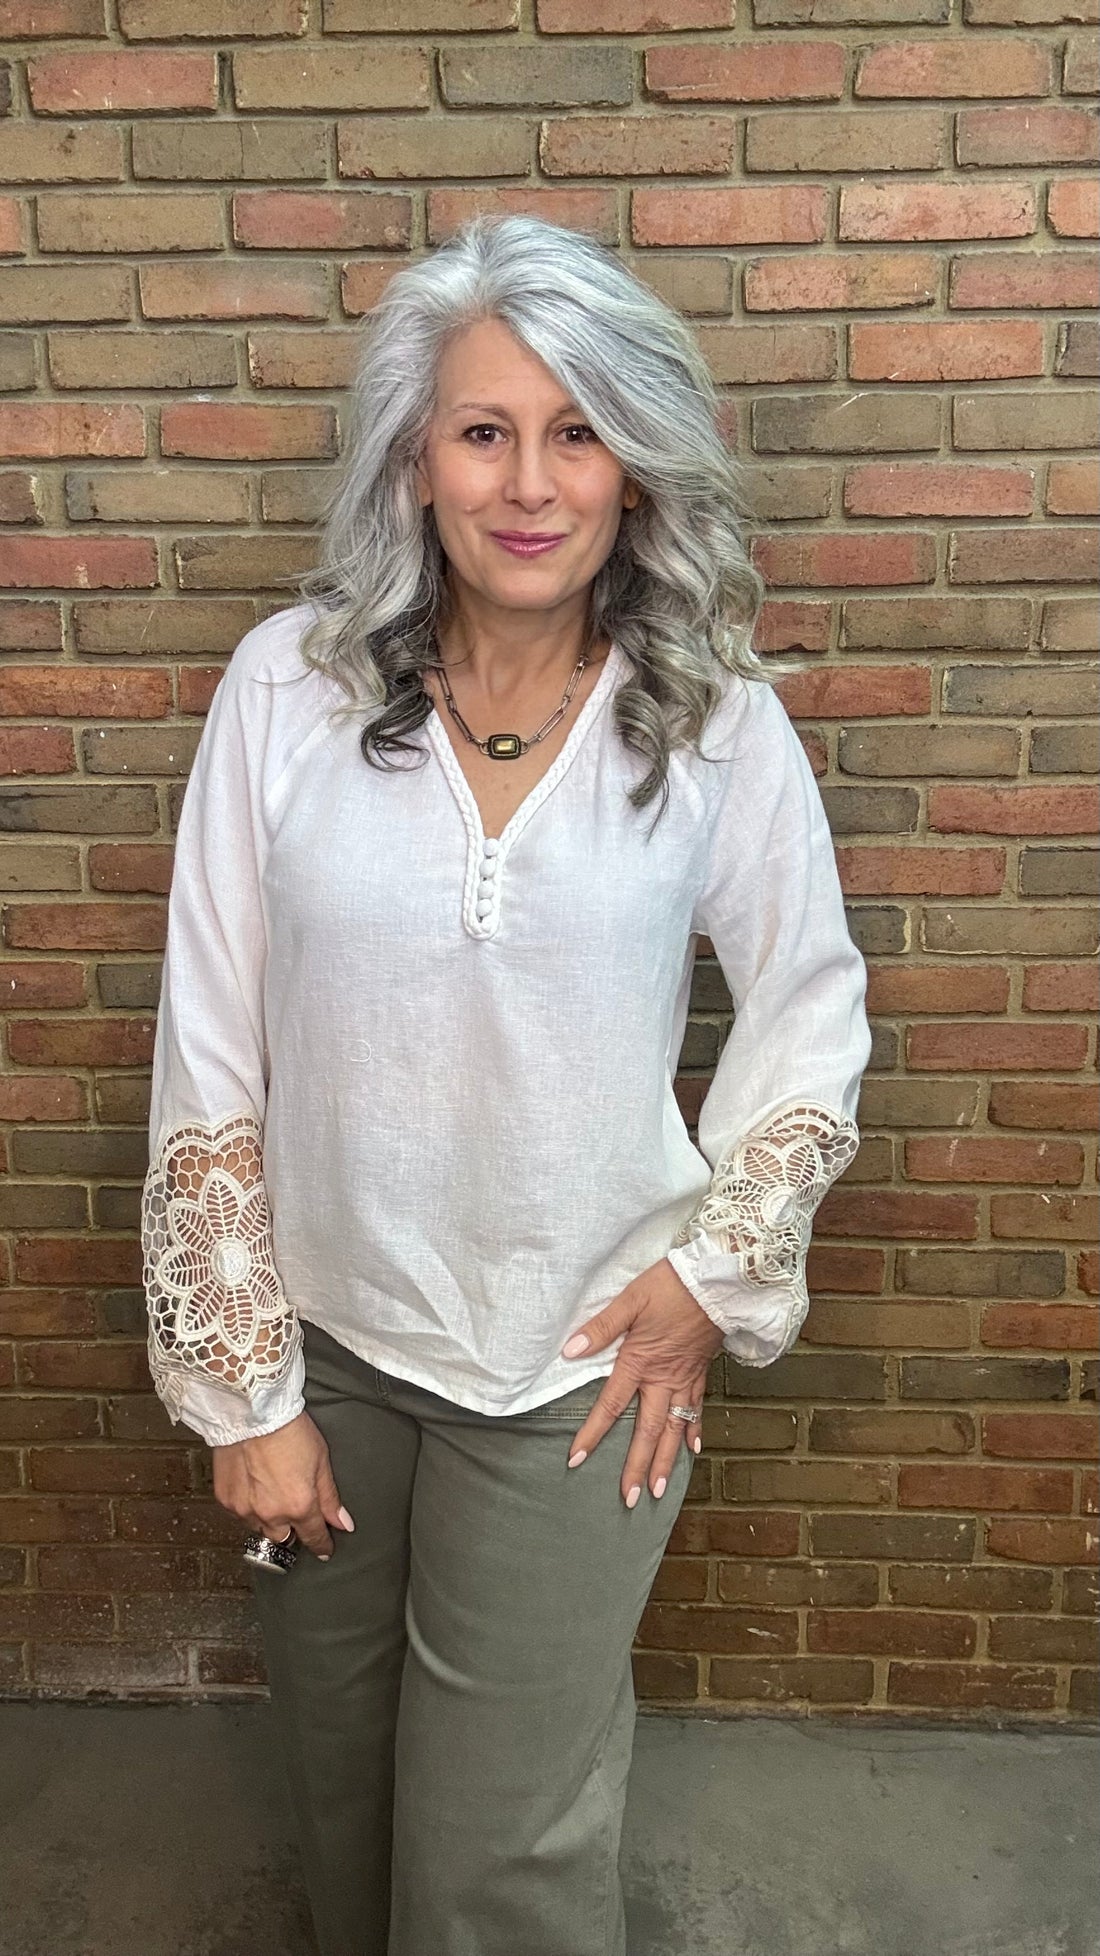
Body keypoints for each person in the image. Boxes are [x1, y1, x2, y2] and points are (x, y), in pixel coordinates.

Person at [139, 213, 871, 1956]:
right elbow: (208, 1041)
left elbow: (812, 1009)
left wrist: (709, 1286)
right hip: (323, 1346)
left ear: (634, 465)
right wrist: (247, 1395)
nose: (529, 482)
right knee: (346, 1788)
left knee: (499, 1853)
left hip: (580, 1370)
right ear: (415, 464)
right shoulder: (286, 696)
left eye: (576, 428)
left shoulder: (711, 727)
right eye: (484, 431)